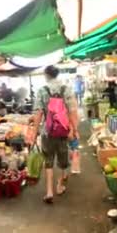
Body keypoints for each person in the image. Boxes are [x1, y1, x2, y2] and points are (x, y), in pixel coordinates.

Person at [29, 65, 78, 204]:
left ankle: (49, 192)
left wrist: (34, 132)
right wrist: (74, 129)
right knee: (63, 161)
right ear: (57, 74)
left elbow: (38, 113)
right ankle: (60, 185)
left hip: (47, 131)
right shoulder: (66, 89)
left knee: (48, 161)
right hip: (63, 130)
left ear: (46, 75)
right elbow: (72, 111)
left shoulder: (42, 90)